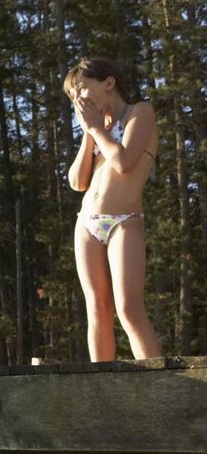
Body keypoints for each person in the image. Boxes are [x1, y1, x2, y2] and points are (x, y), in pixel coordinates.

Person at [64, 57, 162, 361]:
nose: (79, 100)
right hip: (87, 224)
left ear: (108, 83)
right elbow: (77, 182)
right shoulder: (97, 129)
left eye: (81, 90)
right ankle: (102, 392)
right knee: (97, 311)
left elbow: (123, 162)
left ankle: (157, 388)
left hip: (125, 221)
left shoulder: (140, 113)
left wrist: (97, 129)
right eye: (73, 97)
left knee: (129, 309)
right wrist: (89, 132)